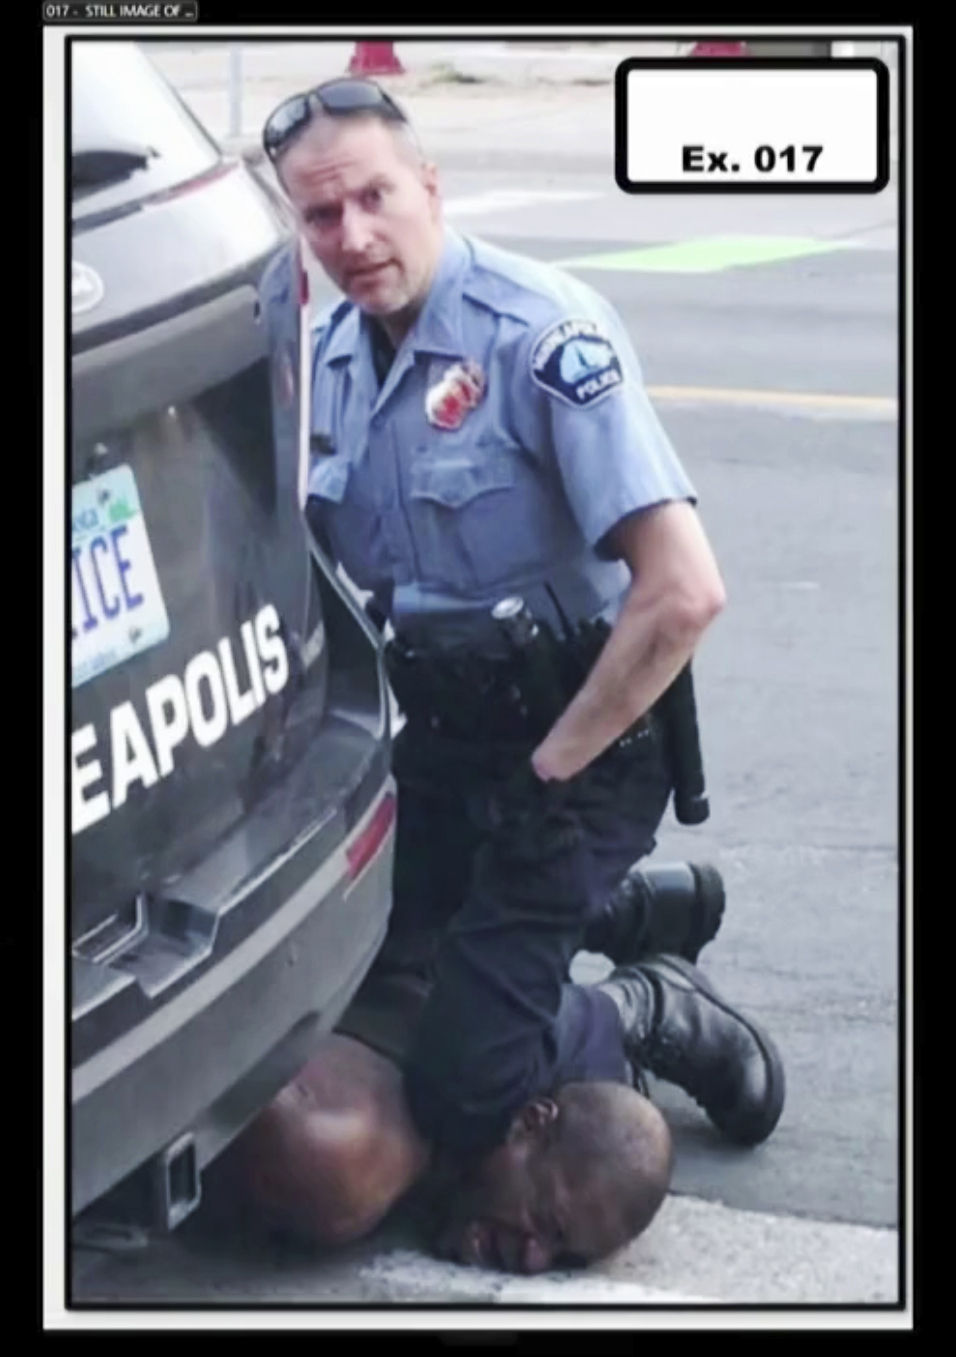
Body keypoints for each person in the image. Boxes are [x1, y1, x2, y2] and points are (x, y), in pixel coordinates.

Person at [212, 77, 786, 1273]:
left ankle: (645, 1005)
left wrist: (553, 765)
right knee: (361, 960)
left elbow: (682, 591)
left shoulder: (539, 333)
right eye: (318, 218)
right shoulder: (329, 360)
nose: (352, 237)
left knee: (467, 1079)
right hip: (444, 737)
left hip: (582, 746)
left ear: (429, 186)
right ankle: (607, 909)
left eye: (373, 197)